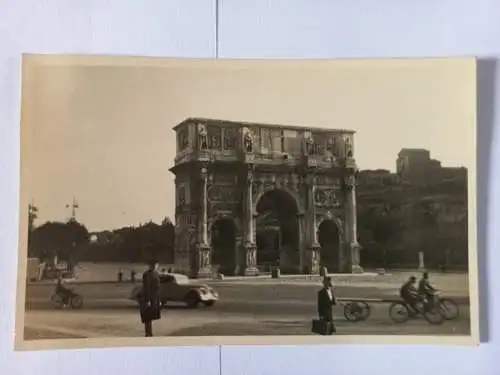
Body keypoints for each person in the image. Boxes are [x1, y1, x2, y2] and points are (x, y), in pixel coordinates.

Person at [140, 259, 161, 337]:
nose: (157, 266)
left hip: (154, 297)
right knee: (148, 315)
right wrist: (147, 299)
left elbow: (157, 287)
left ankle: (149, 332)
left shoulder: (155, 273)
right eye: (156, 265)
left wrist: (159, 299)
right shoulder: (148, 274)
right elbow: (147, 287)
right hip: (150, 297)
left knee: (151, 315)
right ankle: (148, 333)